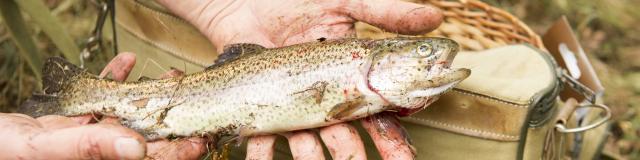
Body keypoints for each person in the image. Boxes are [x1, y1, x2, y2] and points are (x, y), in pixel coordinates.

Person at [0, 0, 443, 159]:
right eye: (423, 53)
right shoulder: (355, 72)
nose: (433, 59)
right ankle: (83, 94)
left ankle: (88, 95)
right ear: (380, 62)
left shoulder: (359, 75)